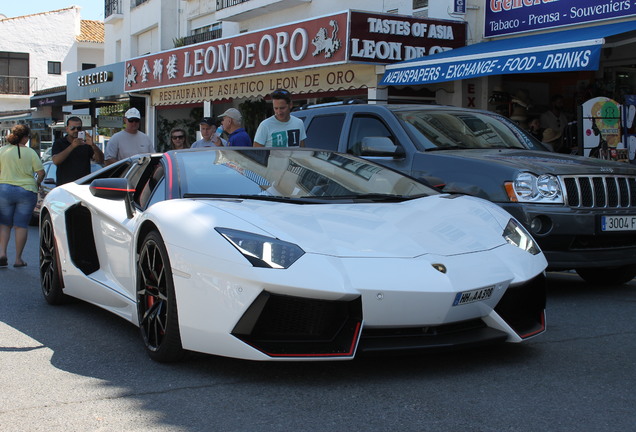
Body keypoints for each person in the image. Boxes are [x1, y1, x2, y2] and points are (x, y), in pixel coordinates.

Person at [0, 124, 45, 268]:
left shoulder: (2, 151)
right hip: (26, 191)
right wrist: (37, 183)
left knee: (4, 224)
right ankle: (18, 259)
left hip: (4, 189)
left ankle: (2, 254)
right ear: (25, 137)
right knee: (20, 226)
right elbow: (41, 172)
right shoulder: (31, 152)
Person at [51, 116, 104, 185]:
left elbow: (100, 160)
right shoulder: (59, 143)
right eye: (72, 128)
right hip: (65, 186)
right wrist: (72, 146)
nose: (76, 130)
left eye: (78, 128)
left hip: (83, 185)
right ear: (67, 129)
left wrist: (93, 145)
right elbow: (56, 161)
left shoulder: (85, 144)